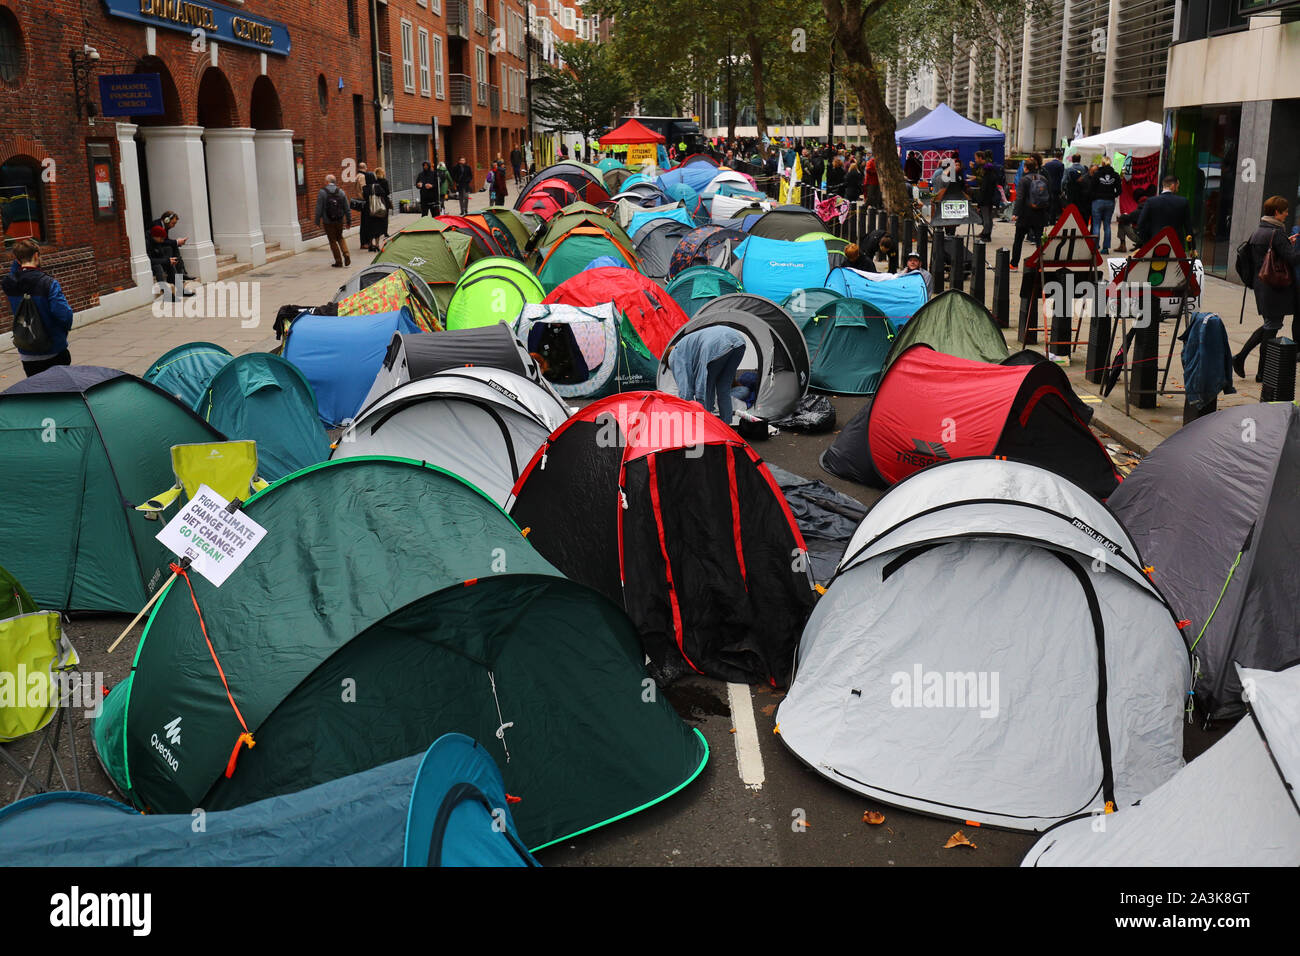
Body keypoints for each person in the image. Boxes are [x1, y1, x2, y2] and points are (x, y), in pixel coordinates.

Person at [1232, 195, 1300, 381]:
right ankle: (1262, 372)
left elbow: (1274, 254)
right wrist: (1290, 246)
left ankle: (1239, 358)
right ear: (1277, 212)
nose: (1287, 213)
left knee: (1270, 325)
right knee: (1271, 328)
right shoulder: (1276, 233)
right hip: (1274, 287)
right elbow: (1292, 259)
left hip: (1263, 286)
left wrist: (1288, 243)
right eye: (1285, 210)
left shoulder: (1260, 230)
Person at [3, 239, 75, 376]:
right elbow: (64, 315)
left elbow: (15, 273)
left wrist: (19, 260)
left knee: (37, 390)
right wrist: (63, 331)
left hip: (27, 351)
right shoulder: (48, 283)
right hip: (54, 348)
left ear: (17, 260)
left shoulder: (9, 283)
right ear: (36, 255)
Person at [666, 325, 748, 425]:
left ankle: (704, 426)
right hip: (738, 341)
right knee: (724, 389)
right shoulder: (687, 346)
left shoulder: (674, 355)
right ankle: (727, 427)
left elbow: (685, 389)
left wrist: (688, 415)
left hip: (717, 344)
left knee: (705, 387)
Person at [1010, 155, 1049, 270]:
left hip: (1025, 214)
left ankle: (1014, 264)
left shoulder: (1024, 180)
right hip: (1040, 213)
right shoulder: (1043, 179)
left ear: (1025, 168)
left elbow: (1020, 198)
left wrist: (1015, 213)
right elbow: (1048, 196)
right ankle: (1040, 265)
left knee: (1018, 240)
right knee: (1039, 241)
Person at [1137, 175, 1192, 246]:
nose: (1178, 189)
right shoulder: (1183, 201)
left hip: (1155, 245)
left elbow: (1141, 224)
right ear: (1173, 186)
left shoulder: (1151, 201)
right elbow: (1188, 227)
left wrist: (1147, 242)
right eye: (1177, 186)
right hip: (1177, 246)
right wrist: (1192, 248)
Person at [314, 173, 353, 268]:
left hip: (328, 221)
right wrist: (349, 221)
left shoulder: (322, 192)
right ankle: (346, 253)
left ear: (327, 182)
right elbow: (347, 208)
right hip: (339, 220)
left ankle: (338, 261)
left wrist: (317, 221)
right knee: (340, 237)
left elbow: (319, 208)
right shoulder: (341, 192)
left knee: (332, 240)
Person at [149, 211, 193, 290]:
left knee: (172, 252)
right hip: (153, 257)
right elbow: (161, 242)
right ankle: (168, 291)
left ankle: (180, 279)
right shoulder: (155, 227)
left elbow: (163, 242)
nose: (173, 226)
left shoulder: (163, 231)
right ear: (166, 220)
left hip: (157, 253)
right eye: (173, 223)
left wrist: (176, 243)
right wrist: (176, 242)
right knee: (168, 251)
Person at [1090, 157, 1122, 254]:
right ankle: (1105, 248)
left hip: (1098, 201)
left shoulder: (1097, 174)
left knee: (1096, 225)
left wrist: (1095, 196)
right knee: (1107, 225)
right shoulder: (1115, 175)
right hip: (1110, 201)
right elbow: (1120, 190)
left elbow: (1092, 188)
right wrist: (1113, 195)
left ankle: (1095, 247)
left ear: (1102, 163)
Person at [361, 167, 392, 249]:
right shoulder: (377, 186)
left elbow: (364, 197)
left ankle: (370, 243)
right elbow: (383, 193)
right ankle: (377, 244)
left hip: (368, 211)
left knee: (370, 227)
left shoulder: (365, 188)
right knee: (377, 226)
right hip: (376, 209)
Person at [975, 150, 1001, 242]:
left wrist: (979, 203)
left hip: (985, 201)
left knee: (986, 219)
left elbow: (983, 191)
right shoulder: (993, 177)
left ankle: (986, 235)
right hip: (990, 200)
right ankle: (987, 233)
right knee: (989, 218)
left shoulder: (986, 179)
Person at [1042, 150, 1066, 223]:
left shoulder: (1047, 164)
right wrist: (1062, 189)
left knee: (1047, 202)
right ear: (1061, 157)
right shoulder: (1061, 165)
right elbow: (1061, 177)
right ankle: (1052, 220)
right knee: (1054, 204)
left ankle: (1046, 219)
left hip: (1047, 186)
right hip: (1056, 187)